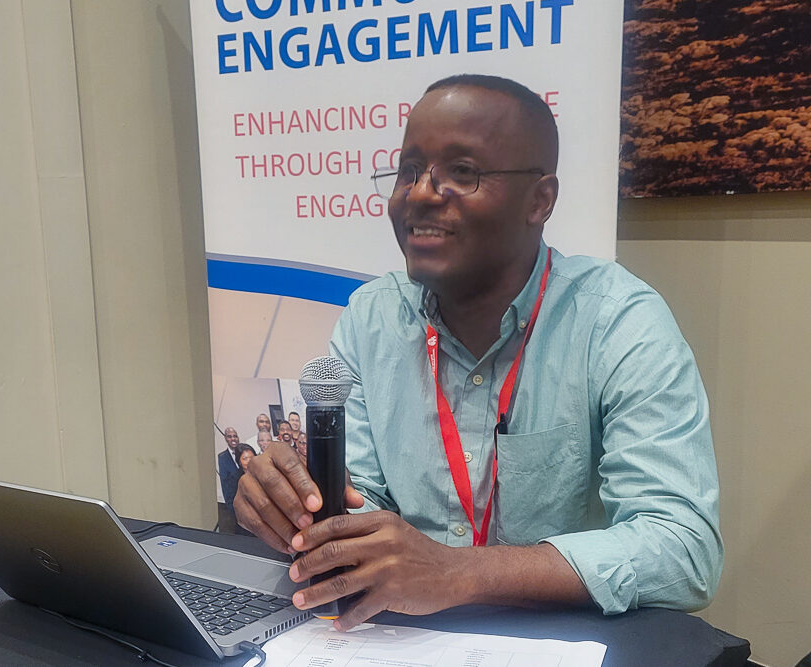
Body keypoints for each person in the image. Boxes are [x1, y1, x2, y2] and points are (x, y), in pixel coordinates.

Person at [234, 74, 722, 631]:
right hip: (399, 642)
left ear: (540, 199)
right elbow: (361, 498)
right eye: (409, 171)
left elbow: (684, 550)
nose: (419, 193)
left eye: (462, 173)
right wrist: (300, 508)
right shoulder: (372, 318)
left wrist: (460, 573)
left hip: (560, 644)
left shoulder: (617, 320)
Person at [216, 427, 241, 510]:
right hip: (234, 503)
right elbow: (225, 483)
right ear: (226, 438)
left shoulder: (244, 453)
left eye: (235, 436)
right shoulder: (222, 457)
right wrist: (230, 505)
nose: (233, 439)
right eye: (229, 437)